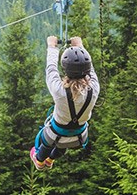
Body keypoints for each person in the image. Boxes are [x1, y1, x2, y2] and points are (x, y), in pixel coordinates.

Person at [30, 36, 100, 170]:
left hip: (54, 134)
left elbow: (51, 69)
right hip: (79, 137)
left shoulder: (60, 91)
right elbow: (92, 71)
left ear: (66, 69)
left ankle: (39, 161)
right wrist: (80, 47)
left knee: (47, 142)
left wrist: (52, 47)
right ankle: (50, 159)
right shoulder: (94, 89)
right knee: (64, 143)